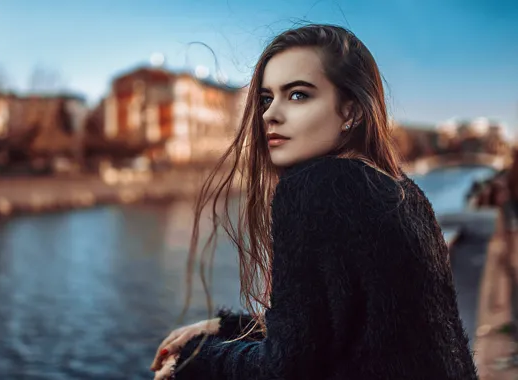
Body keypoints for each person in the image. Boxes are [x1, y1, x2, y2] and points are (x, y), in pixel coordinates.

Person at [151, 24, 478, 379]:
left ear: (351, 111)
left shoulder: (314, 187)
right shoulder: (404, 193)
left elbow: (285, 369)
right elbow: (340, 330)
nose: (269, 115)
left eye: (297, 95)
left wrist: (195, 360)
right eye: (266, 99)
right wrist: (223, 327)